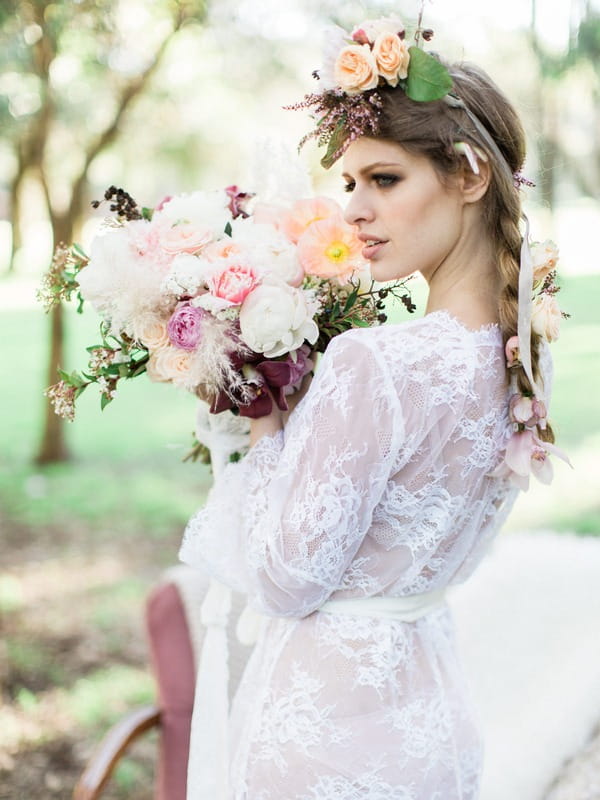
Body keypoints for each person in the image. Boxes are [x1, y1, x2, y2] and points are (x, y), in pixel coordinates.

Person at [180, 15, 566, 800]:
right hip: (433, 725)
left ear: (468, 174)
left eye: (384, 180)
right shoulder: (529, 350)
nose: (353, 211)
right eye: (349, 183)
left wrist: (265, 424)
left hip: (326, 739)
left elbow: (287, 580)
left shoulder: (375, 362)